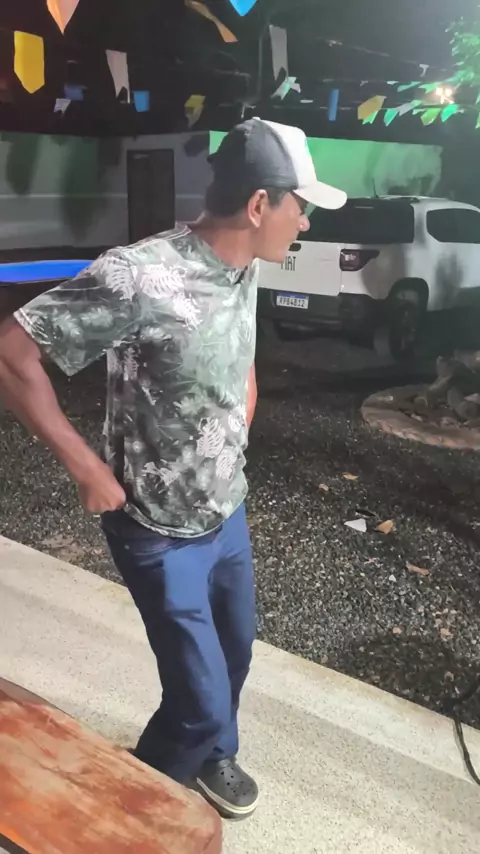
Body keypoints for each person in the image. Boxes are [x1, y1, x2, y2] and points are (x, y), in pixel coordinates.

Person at [0, 118, 346, 819]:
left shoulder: (247, 264)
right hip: (156, 529)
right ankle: (135, 805)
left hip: (227, 512)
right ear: (259, 205)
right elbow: (13, 351)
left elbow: (238, 356)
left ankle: (213, 755)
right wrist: (86, 468)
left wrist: (237, 424)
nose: (306, 221)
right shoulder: (139, 276)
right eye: (300, 206)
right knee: (199, 698)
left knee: (235, 655)